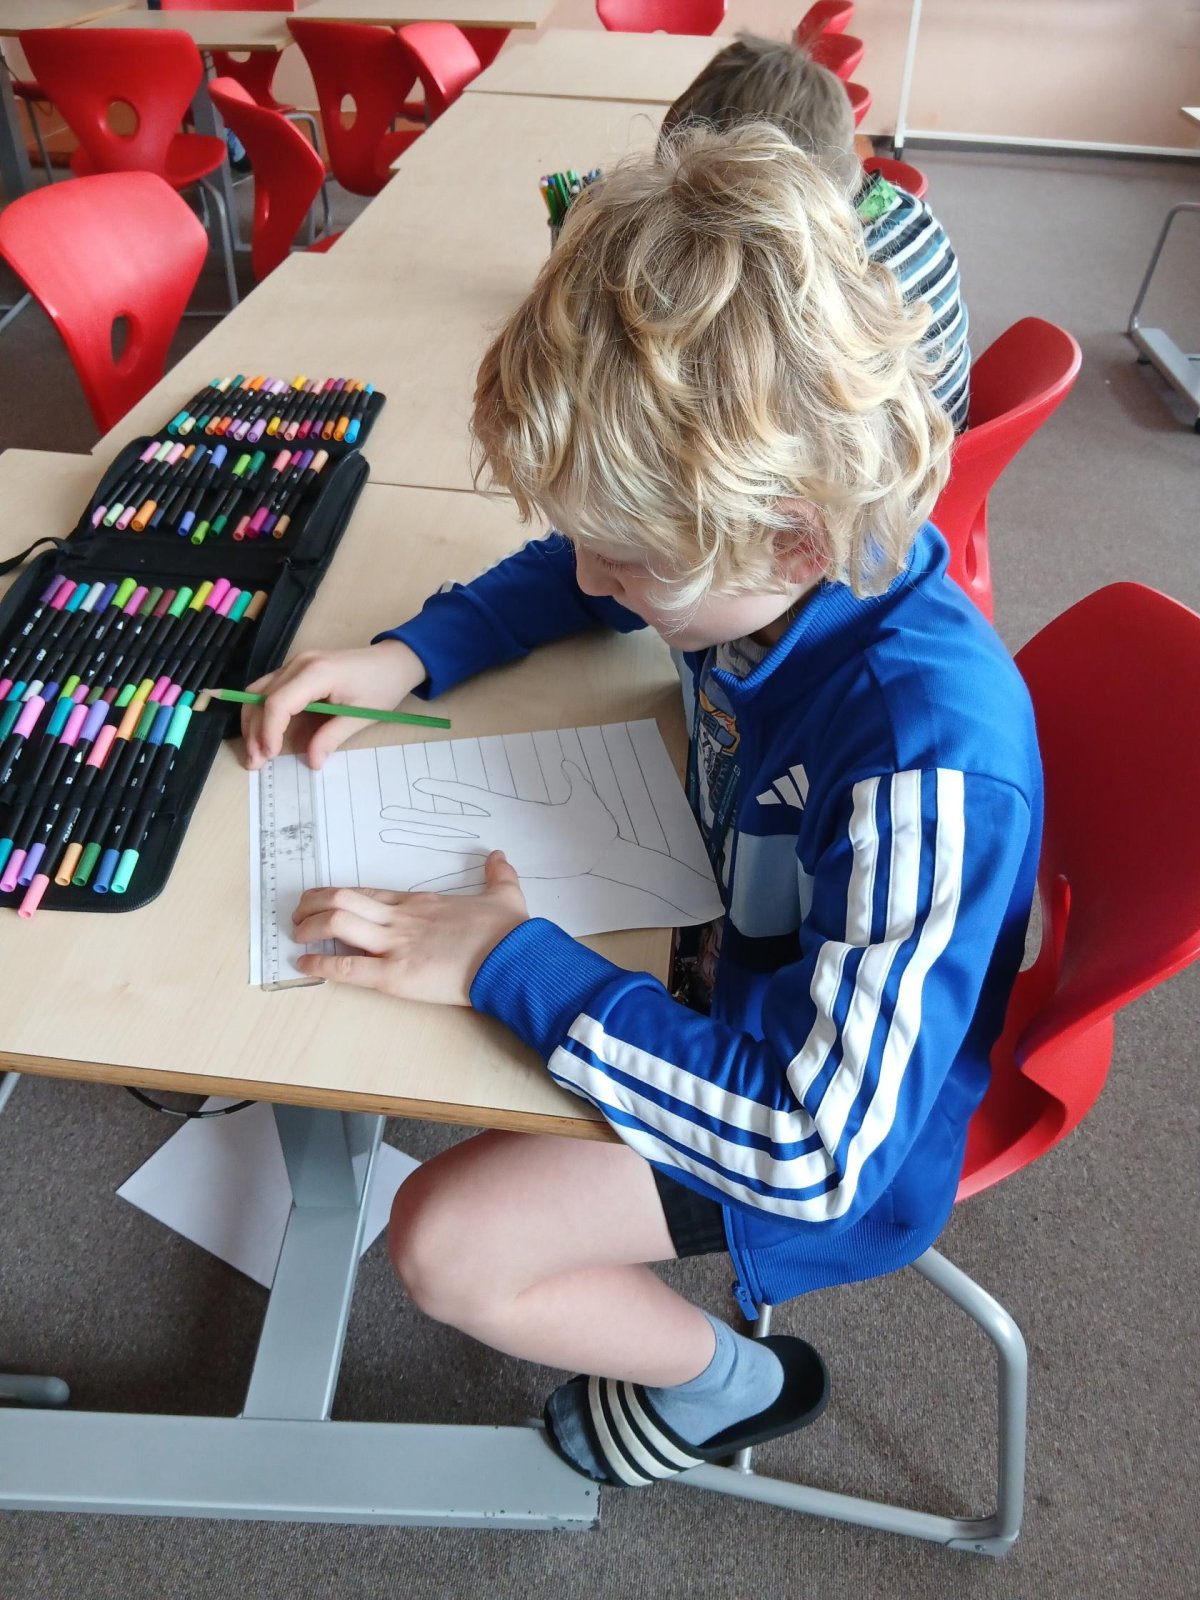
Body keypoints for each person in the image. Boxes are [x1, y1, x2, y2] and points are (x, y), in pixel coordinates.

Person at [241, 125, 1042, 1489]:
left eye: (626, 559)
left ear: (790, 533)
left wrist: (506, 963)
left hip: (827, 1115)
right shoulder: (773, 547)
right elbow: (586, 567)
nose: (593, 581)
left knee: (445, 1243)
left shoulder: (925, 761)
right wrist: (412, 654)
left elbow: (813, 1150)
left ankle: (735, 1378)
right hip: (725, 944)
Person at [662, 32, 972, 430]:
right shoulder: (907, 210)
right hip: (940, 435)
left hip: (891, 462)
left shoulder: (804, 291)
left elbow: (729, 406)